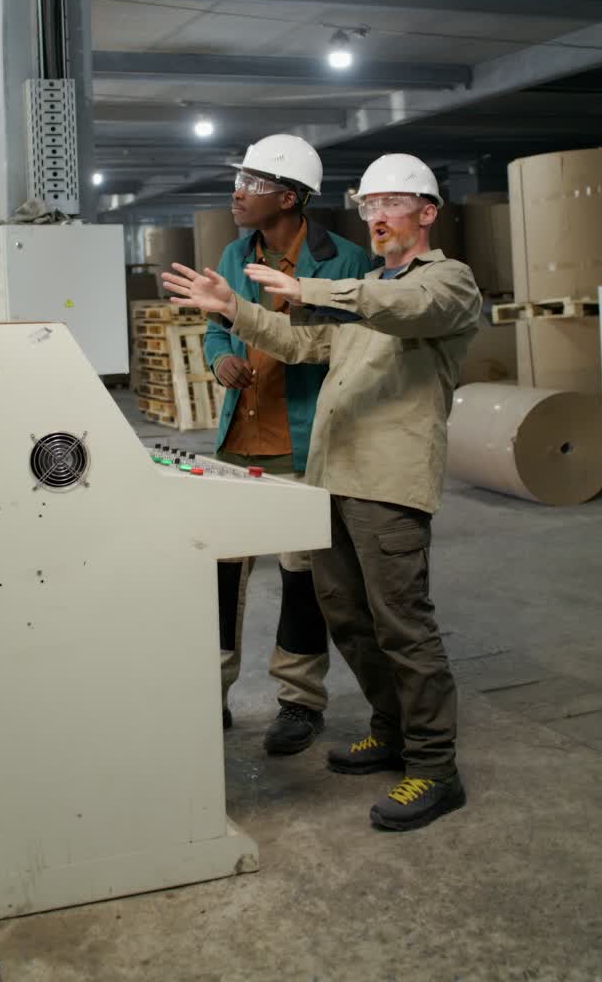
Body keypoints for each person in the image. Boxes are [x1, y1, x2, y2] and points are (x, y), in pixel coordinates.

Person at [163, 153, 482, 832]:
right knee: (346, 616)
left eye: (392, 205)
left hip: (388, 484)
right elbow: (304, 344)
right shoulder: (368, 287)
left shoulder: (445, 284)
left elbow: (400, 307)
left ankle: (433, 767)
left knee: (403, 625)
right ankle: (392, 730)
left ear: (427, 212)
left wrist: (308, 287)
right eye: (368, 207)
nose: (378, 219)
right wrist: (235, 311)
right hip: (331, 474)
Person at [205, 134, 375, 755]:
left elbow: (351, 349)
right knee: (220, 575)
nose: (237, 193)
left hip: (303, 446)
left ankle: (299, 701)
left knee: (303, 577)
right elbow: (214, 327)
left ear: (288, 196)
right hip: (237, 442)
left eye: (250, 184)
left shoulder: (345, 261)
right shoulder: (233, 253)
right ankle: (208, 691)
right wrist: (220, 358)